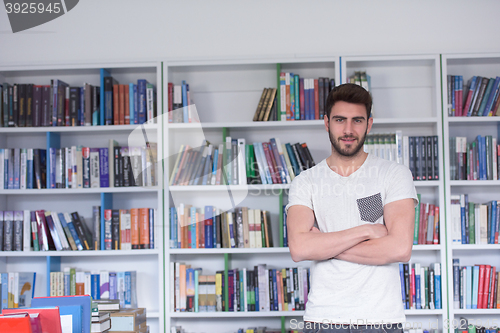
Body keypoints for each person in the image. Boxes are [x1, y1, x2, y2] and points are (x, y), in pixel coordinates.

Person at [286, 83, 418, 333]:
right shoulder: (306, 182)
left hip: (381, 320)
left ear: (369, 124)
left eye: (357, 120)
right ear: (326, 123)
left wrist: (323, 245)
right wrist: (367, 231)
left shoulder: (394, 175)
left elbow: (400, 249)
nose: (348, 129)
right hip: (322, 319)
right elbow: (300, 249)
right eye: (339, 120)